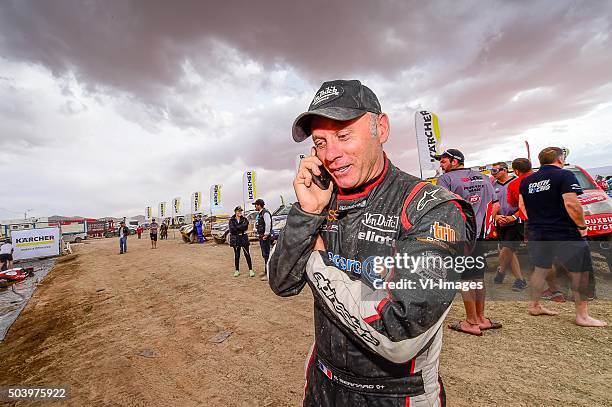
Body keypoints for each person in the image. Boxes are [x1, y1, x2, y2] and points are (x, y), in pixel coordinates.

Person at [269, 79, 476, 406]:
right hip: (323, 382)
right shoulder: (323, 200)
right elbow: (281, 283)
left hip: (396, 394)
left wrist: (316, 260)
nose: (331, 154)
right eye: (320, 142)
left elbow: (399, 336)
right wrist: (306, 213)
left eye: (343, 135)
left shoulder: (434, 209)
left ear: (381, 128)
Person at [519, 147, 606, 327]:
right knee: (580, 270)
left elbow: (522, 205)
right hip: (564, 231)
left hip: (537, 231)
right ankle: (582, 316)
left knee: (541, 268)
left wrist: (537, 220)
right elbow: (572, 204)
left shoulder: (527, 181)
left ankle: (534, 305)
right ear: (560, 159)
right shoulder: (564, 175)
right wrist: (582, 226)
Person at [435, 148, 502, 336]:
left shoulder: (446, 180)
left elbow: (443, 208)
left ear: (455, 162)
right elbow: (495, 204)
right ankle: (481, 318)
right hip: (480, 234)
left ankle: (471, 321)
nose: (441, 164)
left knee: (465, 279)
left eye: (444, 161)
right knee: (478, 277)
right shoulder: (483, 178)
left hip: (461, 235)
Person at [509, 158, 564, 301]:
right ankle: (586, 292)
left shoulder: (516, 183)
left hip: (534, 224)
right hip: (558, 221)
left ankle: (554, 291)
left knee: (543, 259)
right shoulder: (553, 177)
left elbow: (515, 204)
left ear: (516, 171)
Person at [491, 161, 527, 290]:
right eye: (491, 171)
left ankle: (506, 273)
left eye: (495, 171)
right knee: (508, 250)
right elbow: (490, 204)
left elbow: (524, 203)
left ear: (504, 170)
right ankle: (516, 278)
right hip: (500, 221)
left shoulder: (517, 183)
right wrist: (496, 216)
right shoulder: (492, 185)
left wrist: (513, 216)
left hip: (515, 222)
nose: (492, 173)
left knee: (507, 248)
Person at [229, 206, 254, 277]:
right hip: (236, 238)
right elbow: (232, 229)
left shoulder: (244, 219)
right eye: (238, 211)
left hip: (244, 238)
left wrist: (237, 227)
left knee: (247, 254)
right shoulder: (231, 220)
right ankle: (237, 270)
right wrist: (240, 227)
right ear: (235, 212)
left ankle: (251, 270)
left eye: (240, 211)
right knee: (237, 255)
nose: (239, 212)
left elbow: (245, 227)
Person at [253, 199, 272, 281]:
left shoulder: (265, 213)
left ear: (259, 205)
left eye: (255, 205)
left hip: (265, 237)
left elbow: (268, 223)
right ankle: (266, 271)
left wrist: (266, 234)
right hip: (262, 236)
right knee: (264, 254)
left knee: (267, 254)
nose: (255, 206)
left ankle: (268, 274)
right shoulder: (261, 213)